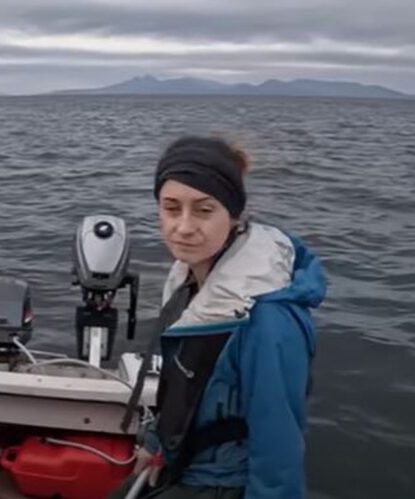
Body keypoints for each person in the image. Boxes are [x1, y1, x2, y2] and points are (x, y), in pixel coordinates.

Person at [114, 137, 326, 499]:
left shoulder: (267, 320)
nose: (183, 227)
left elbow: (279, 449)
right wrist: (156, 443)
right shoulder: (192, 280)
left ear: (233, 215)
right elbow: (185, 385)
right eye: (171, 208)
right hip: (183, 456)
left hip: (224, 482)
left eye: (203, 210)